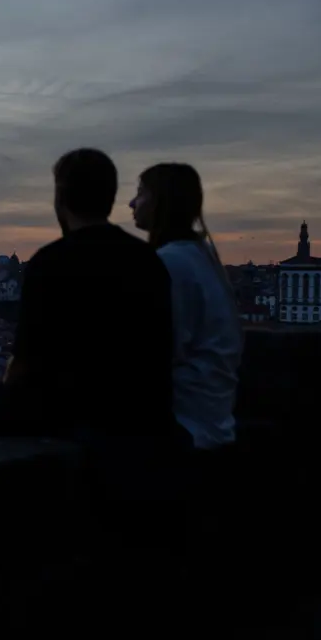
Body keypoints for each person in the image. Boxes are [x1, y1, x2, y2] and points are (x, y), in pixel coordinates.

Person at [0, 148, 176, 443]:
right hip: (139, 411)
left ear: (60, 198)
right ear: (110, 197)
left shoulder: (51, 262)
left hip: (65, 412)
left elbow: (25, 360)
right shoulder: (147, 259)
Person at [129, 163, 242, 452]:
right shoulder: (202, 257)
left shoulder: (170, 262)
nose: (132, 202)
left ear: (159, 202)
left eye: (140, 193)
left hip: (186, 428)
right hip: (214, 422)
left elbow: (158, 353)